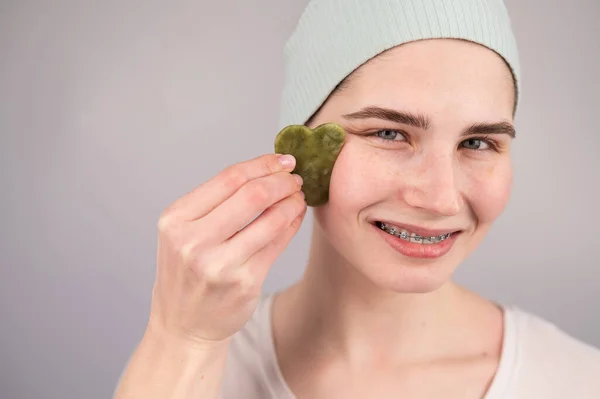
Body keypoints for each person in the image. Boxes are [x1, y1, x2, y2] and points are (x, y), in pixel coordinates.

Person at [113, 0, 600, 398]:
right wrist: (183, 340)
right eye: (390, 133)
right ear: (300, 148)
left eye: (477, 143)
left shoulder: (578, 381)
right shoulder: (189, 366)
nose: (440, 198)